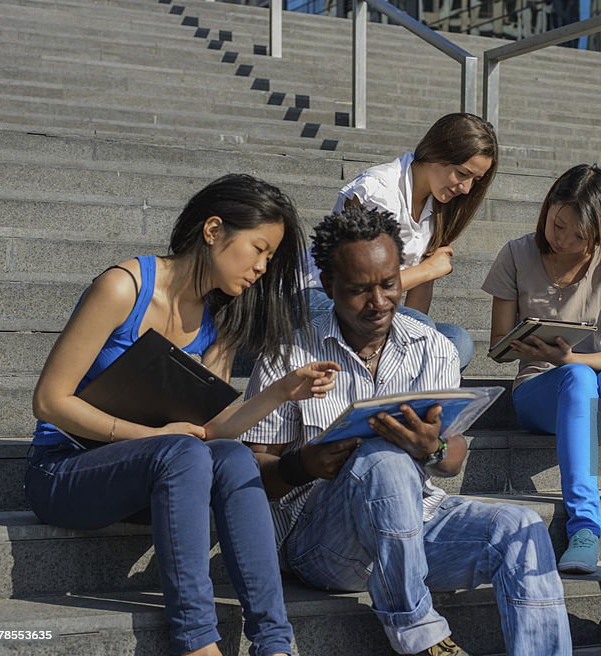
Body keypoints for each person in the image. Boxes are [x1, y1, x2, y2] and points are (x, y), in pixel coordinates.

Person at [28, 174, 341, 656]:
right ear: (213, 229)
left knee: (233, 459)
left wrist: (282, 391)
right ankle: (196, 642)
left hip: (160, 474)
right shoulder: (123, 288)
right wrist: (152, 436)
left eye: (270, 259)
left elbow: (210, 428)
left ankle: (275, 643)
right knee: (183, 453)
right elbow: (49, 401)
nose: (261, 267)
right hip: (66, 468)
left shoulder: (223, 317)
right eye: (258, 249)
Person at [241, 206, 572, 656]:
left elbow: (454, 459)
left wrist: (431, 447)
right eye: (359, 290)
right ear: (330, 286)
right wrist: (305, 464)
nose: (378, 302)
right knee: (382, 459)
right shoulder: (289, 354)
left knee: (520, 526)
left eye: (389, 284)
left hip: (416, 524)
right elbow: (252, 476)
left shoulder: (431, 346)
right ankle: (420, 636)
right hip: (324, 543)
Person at [481, 164, 601, 574]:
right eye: (559, 226)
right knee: (577, 378)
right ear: (548, 208)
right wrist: (527, 344)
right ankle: (585, 528)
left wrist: (571, 357)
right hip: (539, 390)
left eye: (580, 236)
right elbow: (497, 348)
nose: (565, 241)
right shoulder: (517, 254)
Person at [302, 112, 499, 370]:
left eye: (476, 180)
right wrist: (427, 270)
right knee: (423, 332)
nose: (466, 188)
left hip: (372, 312)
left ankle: (388, 382)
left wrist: (415, 326)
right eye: (462, 174)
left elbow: (416, 309)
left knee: (456, 342)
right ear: (437, 152)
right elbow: (356, 286)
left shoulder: (438, 207)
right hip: (317, 298)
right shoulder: (377, 191)